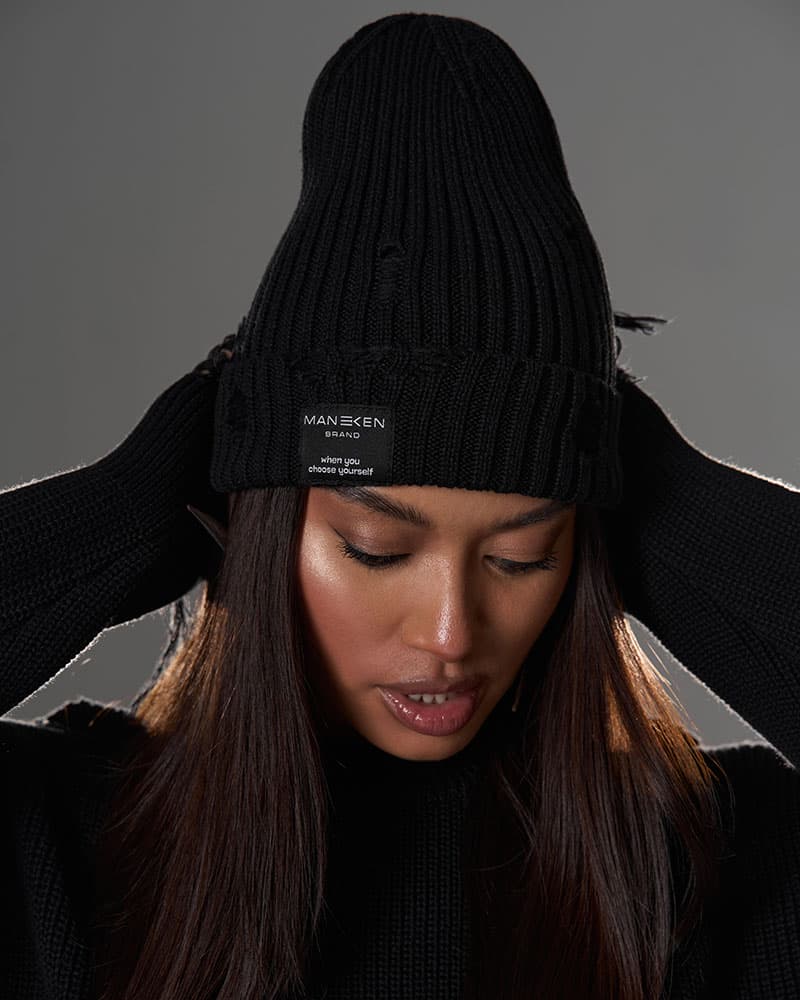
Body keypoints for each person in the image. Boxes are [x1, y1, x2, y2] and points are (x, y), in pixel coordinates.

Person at [1, 12, 798, 1000]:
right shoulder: (69, 851)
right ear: (266, 533)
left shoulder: (707, 875)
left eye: (520, 555)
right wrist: (115, 517)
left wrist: (679, 513)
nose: (450, 633)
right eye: (376, 549)